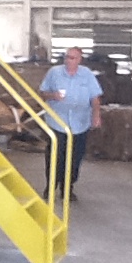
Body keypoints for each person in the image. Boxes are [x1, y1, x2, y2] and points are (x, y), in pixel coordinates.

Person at [39, 47, 102, 201]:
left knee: (75, 158)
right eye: (67, 57)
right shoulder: (54, 73)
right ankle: (51, 186)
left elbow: (95, 98)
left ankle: (68, 188)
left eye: (73, 58)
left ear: (80, 60)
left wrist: (96, 115)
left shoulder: (86, 75)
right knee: (55, 156)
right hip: (57, 122)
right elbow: (42, 93)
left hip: (80, 123)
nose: (69, 61)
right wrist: (53, 95)